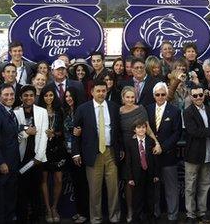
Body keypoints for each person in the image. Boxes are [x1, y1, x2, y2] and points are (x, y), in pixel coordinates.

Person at [72, 79, 123, 223]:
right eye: (98, 91)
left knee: (113, 189)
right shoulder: (83, 109)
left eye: (103, 91)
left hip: (111, 152)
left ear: (107, 91)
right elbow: (75, 132)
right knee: (94, 190)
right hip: (92, 154)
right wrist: (75, 152)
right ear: (92, 92)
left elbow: (118, 131)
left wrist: (121, 148)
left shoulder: (114, 107)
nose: (101, 93)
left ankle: (115, 217)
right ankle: (96, 219)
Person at [119, 86, 162, 222]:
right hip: (125, 148)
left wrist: (156, 143)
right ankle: (130, 211)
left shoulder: (141, 109)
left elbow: (147, 128)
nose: (130, 99)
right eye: (128, 97)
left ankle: (147, 214)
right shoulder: (118, 111)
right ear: (123, 98)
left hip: (140, 146)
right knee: (129, 181)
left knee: (144, 182)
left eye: (132, 97)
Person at [183, 85, 210, 223]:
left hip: (209, 153)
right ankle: (190, 215)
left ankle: (202, 213)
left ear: (204, 95)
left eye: (200, 95)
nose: (198, 97)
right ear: (191, 97)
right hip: (193, 155)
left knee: (205, 185)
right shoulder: (187, 112)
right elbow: (194, 132)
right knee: (190, 187)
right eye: (195, 96)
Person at [146, 82, 182, 222]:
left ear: (167, 95)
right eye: (157, 94)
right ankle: (155, 214)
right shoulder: (147, 109)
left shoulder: (174, 111)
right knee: (154, 188)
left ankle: (173, 216)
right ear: (154, 95)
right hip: (152, 155)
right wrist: (154, 146)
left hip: (168, 155)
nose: (160, 97)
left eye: (163, 94)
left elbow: (177, 133)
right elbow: (145, 130)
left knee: (171, 189)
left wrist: (162, 147)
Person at [13, 85, 49, 223]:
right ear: (21, 97)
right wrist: (25, 134)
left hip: (37, 158)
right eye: (26, 95)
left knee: (36, 191)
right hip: (21, 158)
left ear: (35, 97)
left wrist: (38, 157)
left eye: (31, 95)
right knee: (21, 192)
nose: (29, 98)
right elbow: (13, 137)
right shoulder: (15, 112)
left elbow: (44, 136)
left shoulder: (42, 112)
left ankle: (36, 218)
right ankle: (22, 218)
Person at [0, 84, 21, 224]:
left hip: (13, 161)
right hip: (3, 163)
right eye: (6, 95)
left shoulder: (10, 111)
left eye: (11, 94)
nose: (9, 97)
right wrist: (1, 162)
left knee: (10, 195)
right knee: (1, 198)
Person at [38, 85, 66, 223]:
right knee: (43, 180)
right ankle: (48, 209)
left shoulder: (59, 110)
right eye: (46, 95)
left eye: (51, 95)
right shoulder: (38, 111)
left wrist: (54, 133)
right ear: (42, 97)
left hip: (57, 149)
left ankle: (55, 207)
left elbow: (63, 130)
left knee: (58, 180)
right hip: (42, 149)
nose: (48, 98)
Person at [123, 119, 160, 224]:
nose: (141, 129)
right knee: (137, 198)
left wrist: (156, 174)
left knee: (150, 197)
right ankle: (137, 218)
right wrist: (130, 177)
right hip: (136, 174)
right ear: (134, 130)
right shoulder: (130, 143)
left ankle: (151, 218)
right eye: (138, 128)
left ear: (146, 129)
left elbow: (155, 159)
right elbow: (128, 161)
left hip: (150, 173)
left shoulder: (151, 141)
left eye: (143, 127)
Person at [62, 87, 89, 224]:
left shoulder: (82, 110)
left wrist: (79, 133)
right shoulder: (66, 111)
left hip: (79, 153)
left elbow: (87, 132)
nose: (68, 98)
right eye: (66, 96)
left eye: (71, 96)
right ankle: (79, 212)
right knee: (76, 184)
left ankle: (85, 213)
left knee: (83, 184)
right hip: (68, 153)